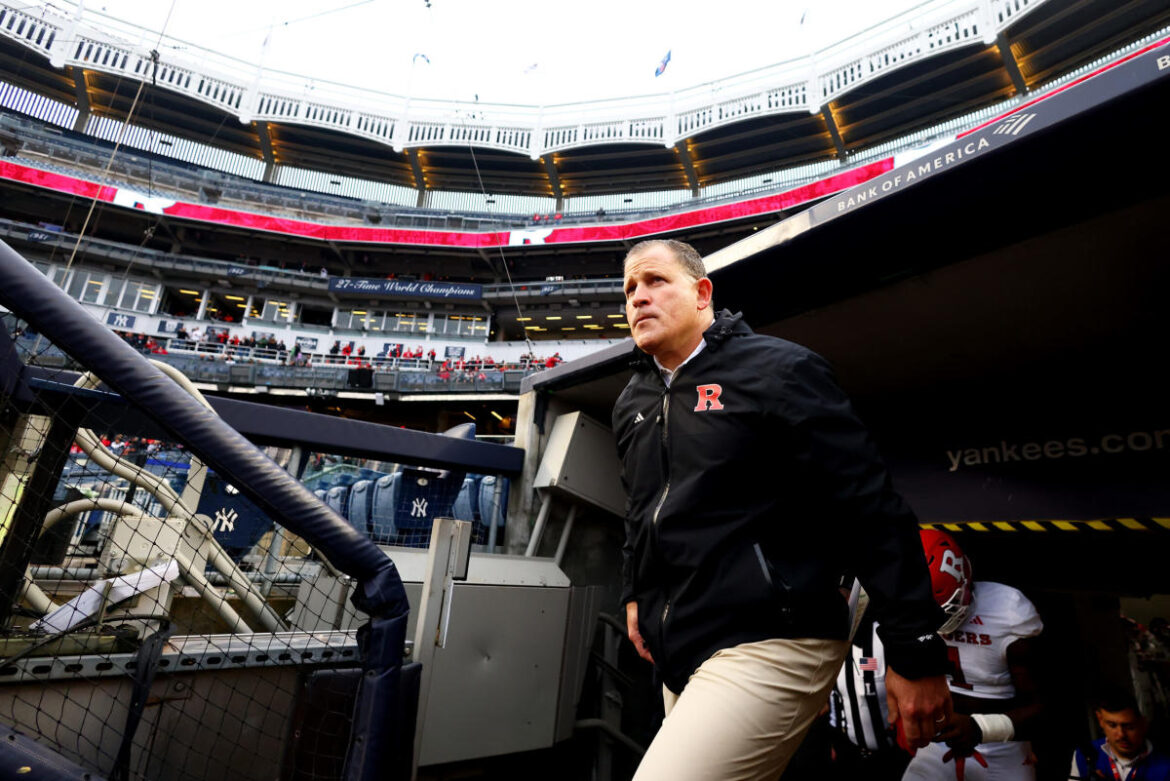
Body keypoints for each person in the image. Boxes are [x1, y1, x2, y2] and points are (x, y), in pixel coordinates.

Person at [612, 239, 950, 781]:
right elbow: (640, 511)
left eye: (655, 281)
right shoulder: (632, 400)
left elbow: (870, 507)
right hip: (680, 649)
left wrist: (915, 652)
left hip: (774, 635)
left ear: (702, 294)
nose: (638, 297)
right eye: (630, 289)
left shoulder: (780, 370)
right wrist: (636, 592)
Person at [903, 530, 1045, 781]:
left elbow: (1045, 708)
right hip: (938, 741)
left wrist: (981, 728)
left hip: (1001, 744)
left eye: (942, 613)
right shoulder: (902, 610)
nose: (934, 624)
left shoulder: (1007, 612)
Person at [829, 607, 913, 780]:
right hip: (848, 754)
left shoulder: (887, 636)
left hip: (893, 758)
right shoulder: (826, 640)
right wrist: (834, 742)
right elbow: (831, 700)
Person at [1071, 691, 1170, 780]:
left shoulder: (1166, 765)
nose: (1121, 735)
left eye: (1129, 727)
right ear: (1100, 720)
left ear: (1143, 723)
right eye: (1112, 725)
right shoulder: (1083, 755)